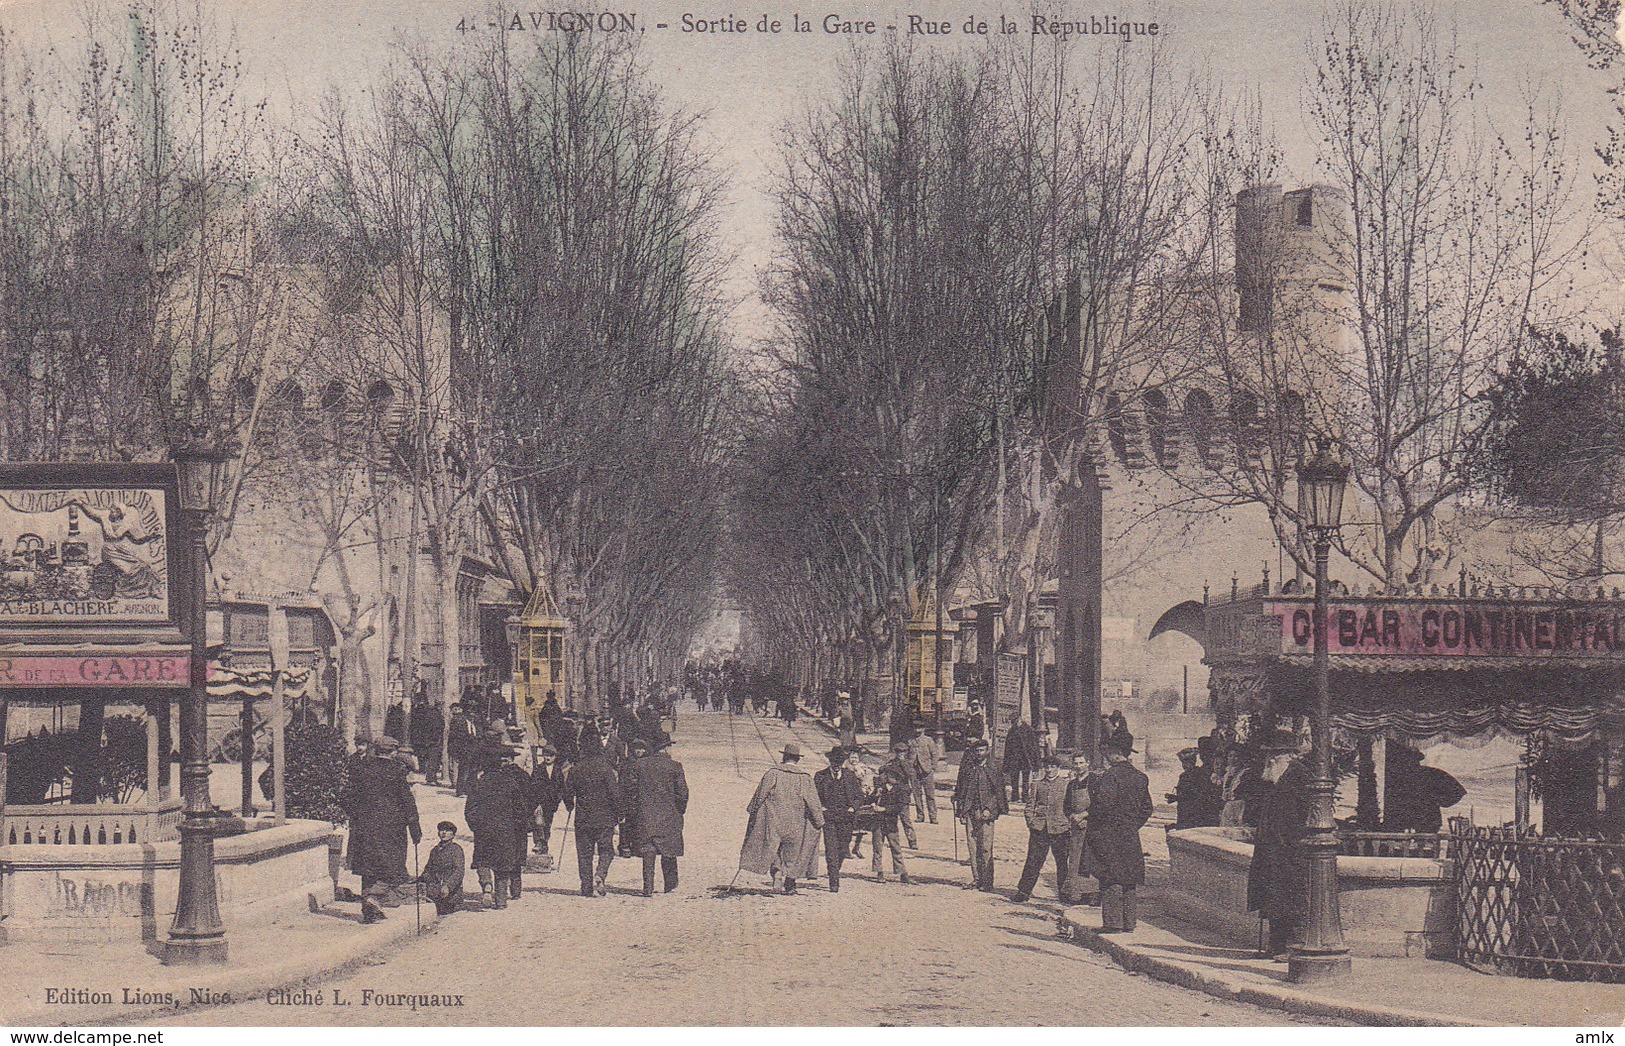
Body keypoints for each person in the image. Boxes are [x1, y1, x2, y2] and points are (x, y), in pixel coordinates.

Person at [340, 736, 422, 923]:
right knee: (394, 867)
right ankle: (373, 897)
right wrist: (414, 826)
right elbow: (406, 800)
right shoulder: (396, 770)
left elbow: (345, 796)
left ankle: (369, 911)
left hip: (364, 827)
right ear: (392, 752)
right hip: (391, 828)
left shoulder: (361, 768)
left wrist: (357, 814)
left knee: (368, 867)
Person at [1247, 736, 1311, 960]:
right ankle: (1276, 945)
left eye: (1270, 757)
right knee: (1273, 899)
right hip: (1273, 850)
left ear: (1280, 757)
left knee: (1288, 899)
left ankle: (1291, 947)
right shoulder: (1277, 778)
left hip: (1289, 851)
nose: (1267, 762)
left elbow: (1300, 816)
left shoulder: (1298, 776)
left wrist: (1286, 841)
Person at [1086, 736, 1153, 933]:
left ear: (1114, 753)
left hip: (1109, 834)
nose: (1105, 756)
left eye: (1107, 753)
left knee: (1111, 877)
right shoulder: (1140, 777)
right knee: (1129, 878)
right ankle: (1129, 922)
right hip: (1130, 835)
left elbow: (1103, 805)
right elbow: (1147, 808)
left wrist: (1096, 825)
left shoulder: (1110, 777)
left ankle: (1113, 923)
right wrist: (1131, 825)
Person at [739, 742, 824, 894]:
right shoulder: (805, 778)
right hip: (796, 823)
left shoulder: (773, 774)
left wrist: (752, 811)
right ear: (797, 760)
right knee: (793, 851)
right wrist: (819, 821)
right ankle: (790, 883)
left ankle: (777, 874)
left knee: (774, 848)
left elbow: (760, 795)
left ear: (784, 757)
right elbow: (813, 802)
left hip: (774, 820)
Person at [464, 743, 529, 908]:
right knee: (502, 867)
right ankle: (500, 900)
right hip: (506, 831)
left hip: (484, 830)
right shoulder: (510, 782)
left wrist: (476, 826)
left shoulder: (479, 783)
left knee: (483, 860)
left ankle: (486, 884)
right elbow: (520, 809)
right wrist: (517, 827)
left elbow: (469, 810)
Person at [623, 735, 689, 896]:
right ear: (665, 748)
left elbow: (630, 789)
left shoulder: (640, 765)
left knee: (648, 850)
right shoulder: (674, 766)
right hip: (669, 815)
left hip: (645, 815)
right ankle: (670, 884)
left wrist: (635, 810)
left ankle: (648, 887)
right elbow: (683, 793)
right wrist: (679, 810)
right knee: (669, 850)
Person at [568, 730, 623, 897]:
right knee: (606, 850)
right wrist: (620, 812)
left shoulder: (576, 769)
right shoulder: (605, 768)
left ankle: (585, 886)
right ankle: (600, 874)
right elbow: (615, 793)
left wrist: (570, 805)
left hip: (583, 817)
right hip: (604, 817)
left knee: (584, 853)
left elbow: (568, 792)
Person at [1014, 752, 1073, 902]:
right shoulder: (1037, 784)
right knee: (1033, 861)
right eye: (1047, 767)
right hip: (1040, 829)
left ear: (1058, 768)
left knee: (1062, 863)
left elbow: (1070, 807)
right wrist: (1031, 822)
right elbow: (1029, 806)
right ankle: (1024, 891)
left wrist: (1066, 824)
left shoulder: (1066, 785)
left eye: (1053, 767)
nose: (1049, 770)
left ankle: (1064, 893)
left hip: (1060, 829)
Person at [953, 737, 1007, 891]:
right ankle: (977, 878)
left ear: (987, 751)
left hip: (986, 813)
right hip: (970, 811)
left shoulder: (994, 768)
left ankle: (988, 881)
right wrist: (961, 810)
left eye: (982, 750)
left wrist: (989, 808)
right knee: (973, 846)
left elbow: (999, 793)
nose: (979, 753)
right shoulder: (969, 769)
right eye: (976, 751)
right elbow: (962, 790)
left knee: (985, 847)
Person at [813, 746, 864, 892]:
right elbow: (813, 796)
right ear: (829, 761)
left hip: (846, 818)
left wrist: (853, 807)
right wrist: (820, 807)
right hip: (828, 818)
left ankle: (835, 870)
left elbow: (859, 796)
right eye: (834, 762)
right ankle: (833, 881)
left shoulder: (850, 776)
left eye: (839, 762)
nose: (836, 765)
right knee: (831, 850)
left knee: (842, 849)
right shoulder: (820, 776)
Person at [1383, 746, 1467, 833]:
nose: (1409, 762)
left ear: (1418, 760)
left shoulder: (1431, 773)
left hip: (1427, 819)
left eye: (1412, 759)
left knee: (1426, 845)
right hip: (1404, 820)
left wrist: (1441, 801)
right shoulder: (1398, 777)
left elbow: (1458, 791)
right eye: (1407, 759)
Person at [871, 743, 914, 884]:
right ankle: (879, 872)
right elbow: (869, 799)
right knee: (878, 847)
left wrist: (883, 809)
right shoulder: (880, 789)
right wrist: (873, 799)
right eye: (888, 775)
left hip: (890, 823)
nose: (888, 777)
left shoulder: (899, 791)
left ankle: (902, 872)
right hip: (878, 822)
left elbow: (897, 808)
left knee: (896, 847)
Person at [1061, 751, 1095, 904]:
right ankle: (1075, 894)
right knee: (1074, 860)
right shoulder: (1072, 784)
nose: (1079, 766)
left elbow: (1099, 804)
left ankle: (1092, 894)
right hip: (1076, 827)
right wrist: (1073, 817)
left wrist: (1085, 815)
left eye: (1082, 763)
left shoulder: (1094, 781)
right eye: (1076, 763)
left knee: (1089, 860)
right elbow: (1066, 806)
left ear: (1087, 763)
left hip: (1091, 827)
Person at [529, 745, 571, 863]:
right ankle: (538, 842)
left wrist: (562, 800)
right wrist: (535, 802)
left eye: (550, 756)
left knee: (547, 824)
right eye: (546, 755)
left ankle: (544, 845)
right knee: (538, 822)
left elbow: (561, 787)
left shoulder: (558, 770)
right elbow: (533, 786)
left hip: (551, 803)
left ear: (555, 757)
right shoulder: (538, 769)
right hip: (540, 802)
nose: (548, 758)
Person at [417, 821, 466, 916]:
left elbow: (459, 871)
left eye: (447, 830)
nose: (444, 833)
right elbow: (428, 870)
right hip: (435, 891)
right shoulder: (435, 850)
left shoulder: (456, 850)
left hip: (450, 894)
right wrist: (421, 880)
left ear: (453, 835)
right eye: (441, 830)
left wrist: (448, 886)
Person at [1169, 747, 1222, 829]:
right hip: (1186, 810)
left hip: (1193, 811)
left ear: (1193, 761)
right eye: (1183, 763)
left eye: (1186, 763)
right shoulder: (1194, 773)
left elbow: (1194, 794)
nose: (1184, 766)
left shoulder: (1194, 775)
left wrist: (1176, 798)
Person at [906, 724, 941, 824]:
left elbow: (935, 754)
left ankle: (933, 816)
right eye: (915, 727)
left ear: (923, 729)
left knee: (930, 795)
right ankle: (920, 815)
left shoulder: (928, 740)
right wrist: (909, 767)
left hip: (926, 771)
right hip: (914, 771)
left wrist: (932, 767)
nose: (917, 730)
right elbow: (907, 755)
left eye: (920, 728)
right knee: (917, 795)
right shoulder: (910, 741)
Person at [409, 697, 445, 787]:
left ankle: (429, 776)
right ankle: (431, 779)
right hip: (434, 740)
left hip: (425, 740)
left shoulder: (420, 713)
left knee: (429, 759)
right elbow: (438, 727)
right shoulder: (435, 713)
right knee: (433, 760)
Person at [1003, 720, 1040, 803]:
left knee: (1025, 780)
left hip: (1025, 759)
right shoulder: (1011, 730)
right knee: (1014, 779)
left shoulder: (1029, 730)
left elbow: (1034, 746)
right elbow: (1007, 748)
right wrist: (1006, 762)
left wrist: (1035, 762)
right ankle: (1015, 796)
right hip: (1014, 759)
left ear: (1019, 719)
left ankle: (1025, 797)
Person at [447, 702, 479, 797]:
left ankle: (469, 790)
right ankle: (460, 791)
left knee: (472, 770)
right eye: (471, 713)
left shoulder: (472, 723)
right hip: (464, 749)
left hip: (471, 749)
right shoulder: (460, 721)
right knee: (464, 770)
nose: (472, 715)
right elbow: (455, 737)